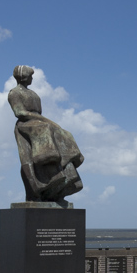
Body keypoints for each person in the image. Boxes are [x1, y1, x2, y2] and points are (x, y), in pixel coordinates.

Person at [8, 65, 84, 202]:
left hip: (39, 123)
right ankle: (42, 174)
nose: (32, 78)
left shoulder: (33, 94)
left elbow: (39, 113)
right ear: (23, 76)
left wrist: (49, 123)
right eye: (30, 76)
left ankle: (63, 167)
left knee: (64, 133)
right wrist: (45, 120)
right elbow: (20, 113)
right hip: (26, 125)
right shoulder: (14, 93)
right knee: (31, 156)